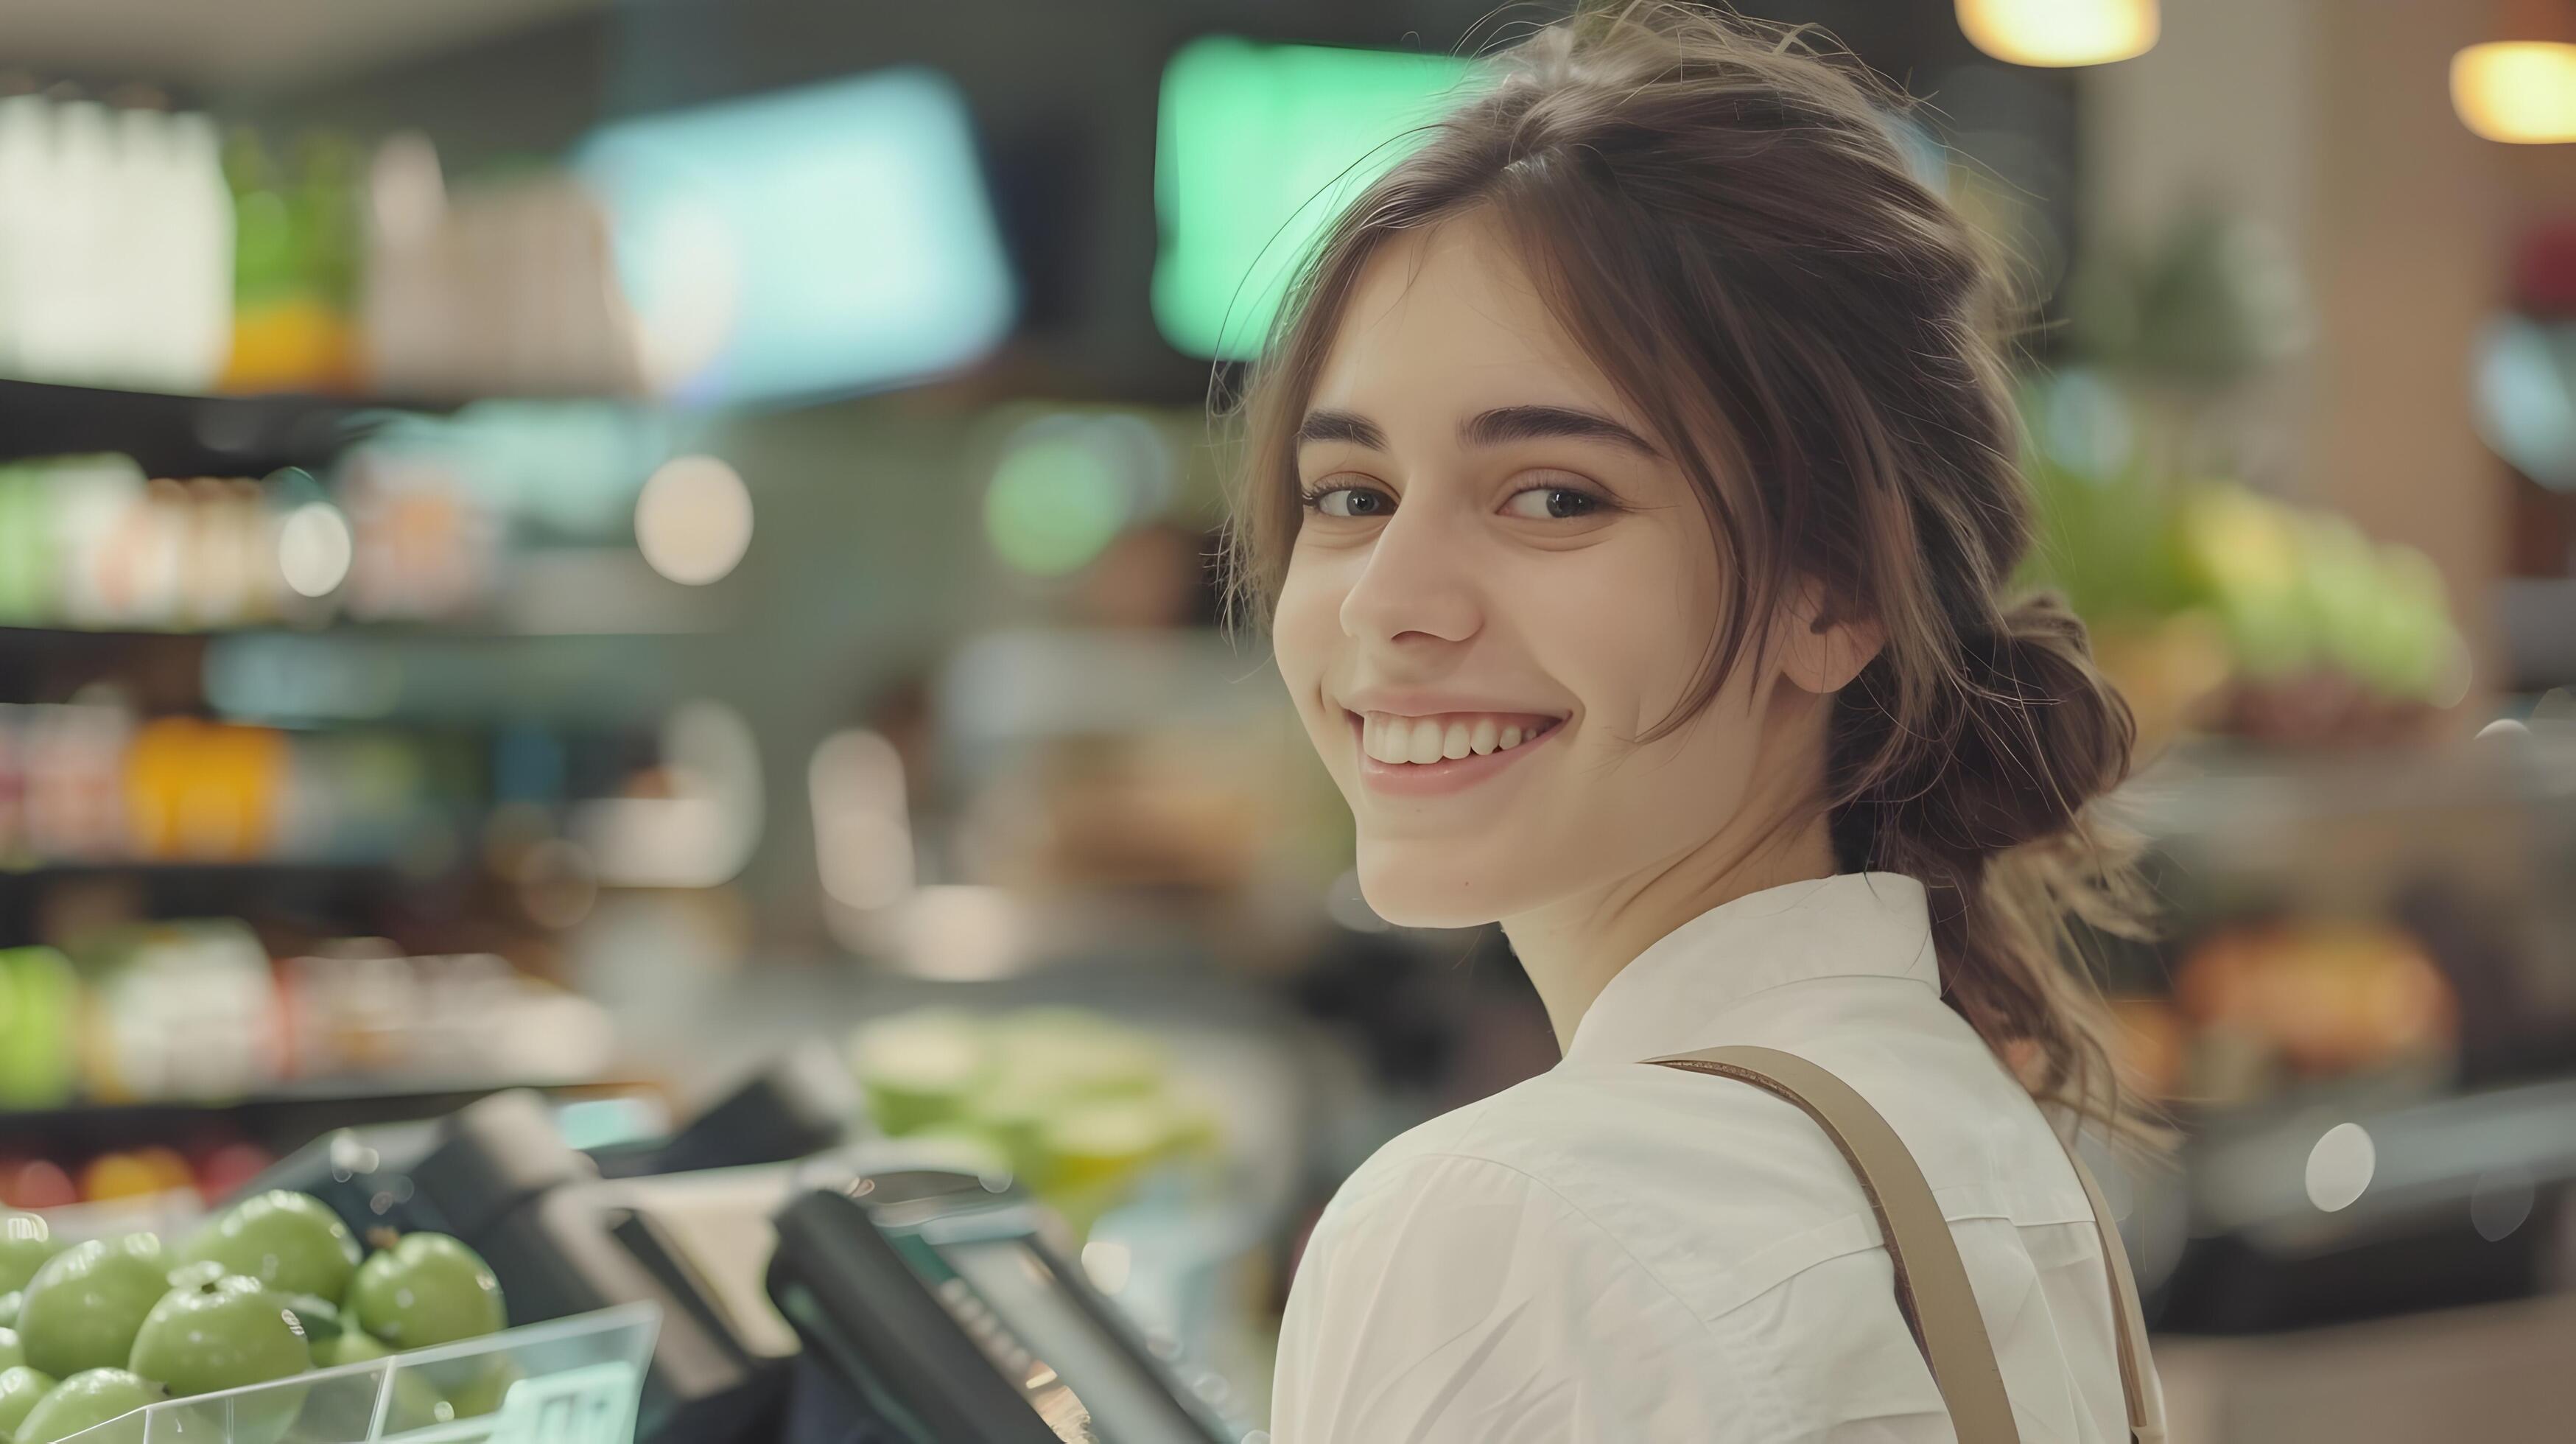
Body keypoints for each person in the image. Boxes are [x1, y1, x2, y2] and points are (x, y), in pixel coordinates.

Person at [1224, 4, 2168, 1440]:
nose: (1387, 603)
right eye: (1352, 496)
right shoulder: (1988, 1140)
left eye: (1554, 495)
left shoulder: (1503, 1223)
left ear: (1836, 589)